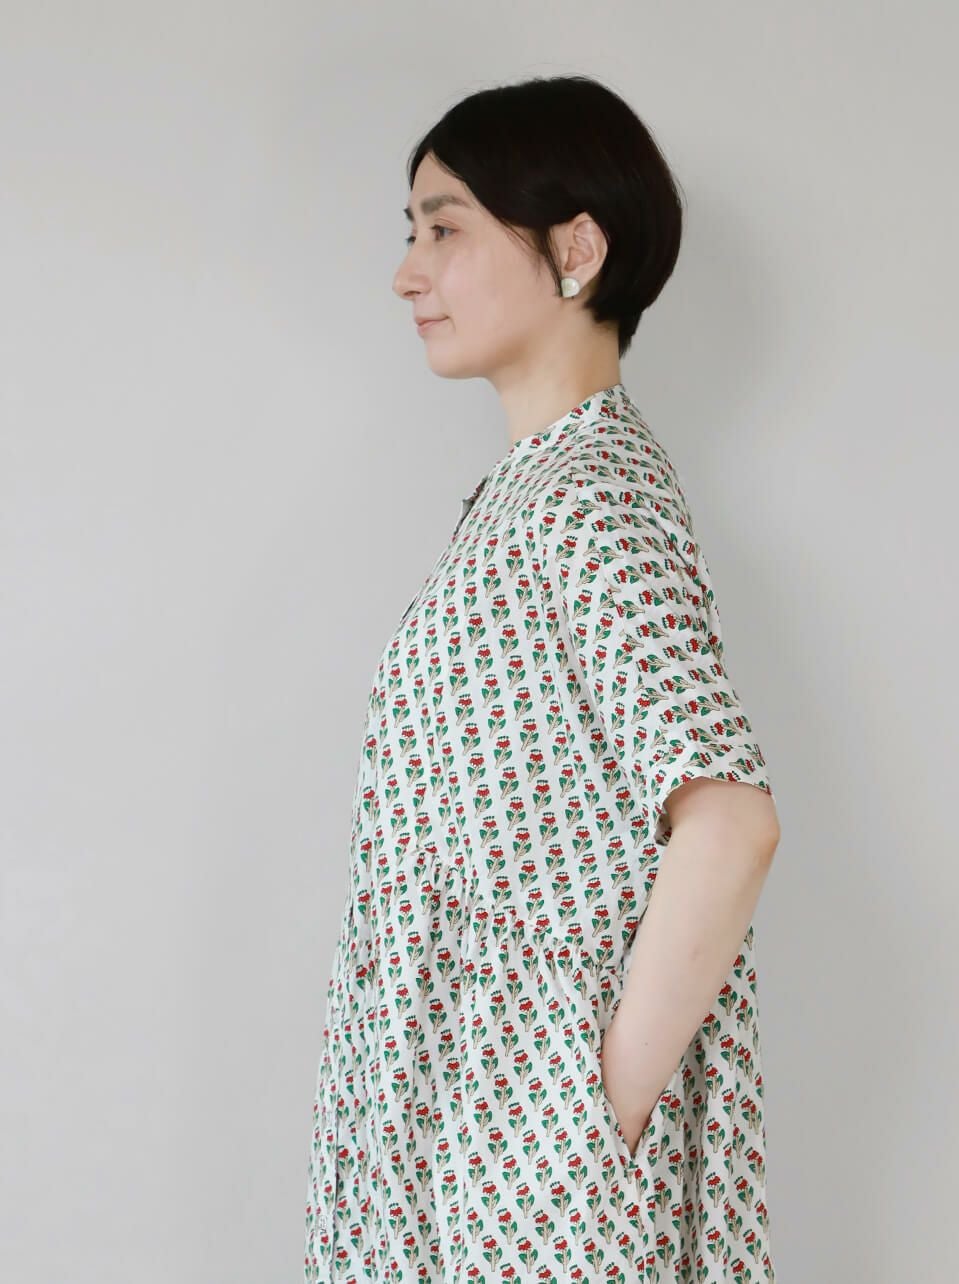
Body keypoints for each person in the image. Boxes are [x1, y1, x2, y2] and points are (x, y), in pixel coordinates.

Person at [305, 74, 781, 1284]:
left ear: (575, 249)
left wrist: (581, 1118)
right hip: (469, 1128)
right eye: (410, 233)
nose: (407, 273)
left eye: (445, 228)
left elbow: (727, 823)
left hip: (523, 1157)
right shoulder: (532, 495)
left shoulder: (589, 497)